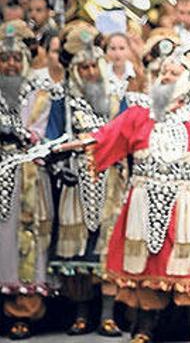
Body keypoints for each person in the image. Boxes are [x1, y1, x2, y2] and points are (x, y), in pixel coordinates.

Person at [56, 46, 190, 343]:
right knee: (148, 266)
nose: (166, 77)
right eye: (163, 73)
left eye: (174, 73)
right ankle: (144, 331)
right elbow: (106, 136)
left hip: (186, 202)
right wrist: (63, 149)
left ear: (188, 81)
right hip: (143, 199)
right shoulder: (139, 114)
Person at [43, 21, 127, 337]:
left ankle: (107, 315)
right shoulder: (61, 101)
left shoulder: (118, 99)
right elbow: (51, 139)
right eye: (84, 67)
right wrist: (60, 157)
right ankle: (80, 314)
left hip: (112, 181)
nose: (90, 72)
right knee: (78, 249)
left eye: (95, 66)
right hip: (75, 180)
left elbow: (129, 135)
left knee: (107, 247)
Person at [0, 22, 52, 341]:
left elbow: (43, 135)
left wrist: (17, 133)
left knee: (25, 241)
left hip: (30, 175)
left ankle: (24, 309)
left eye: (16, 58)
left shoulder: (42, 92)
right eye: (4, 59)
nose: (10, 65)